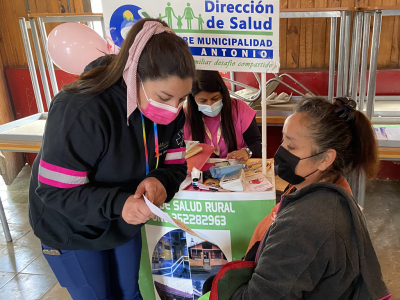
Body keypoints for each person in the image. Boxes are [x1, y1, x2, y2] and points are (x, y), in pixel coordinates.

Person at [28, 18, 196, 300]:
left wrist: (159, 181)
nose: (173, 109)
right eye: (165, 97)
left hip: (121, 220)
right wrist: (119, 203)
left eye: (182, 99)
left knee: (129, 293)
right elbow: (55, 191)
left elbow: (175, 166)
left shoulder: (171, 113)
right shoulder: (81, 108)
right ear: (134, 76)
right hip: (71, 226)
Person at [202, 97, 391, 300]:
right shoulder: (326, 188)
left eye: (291, 147)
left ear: (325, 159)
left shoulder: (306, 225)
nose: (281, 150)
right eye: (283, 139)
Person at [184, 70, 261, 160]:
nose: (210, 104)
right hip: (199, 171)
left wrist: (247, 152)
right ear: (193, 99)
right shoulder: (185, 116)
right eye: (202, 101)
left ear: (223, 93)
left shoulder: (239, 108)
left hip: (236, 168)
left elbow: (259, 144)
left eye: (215, 98)